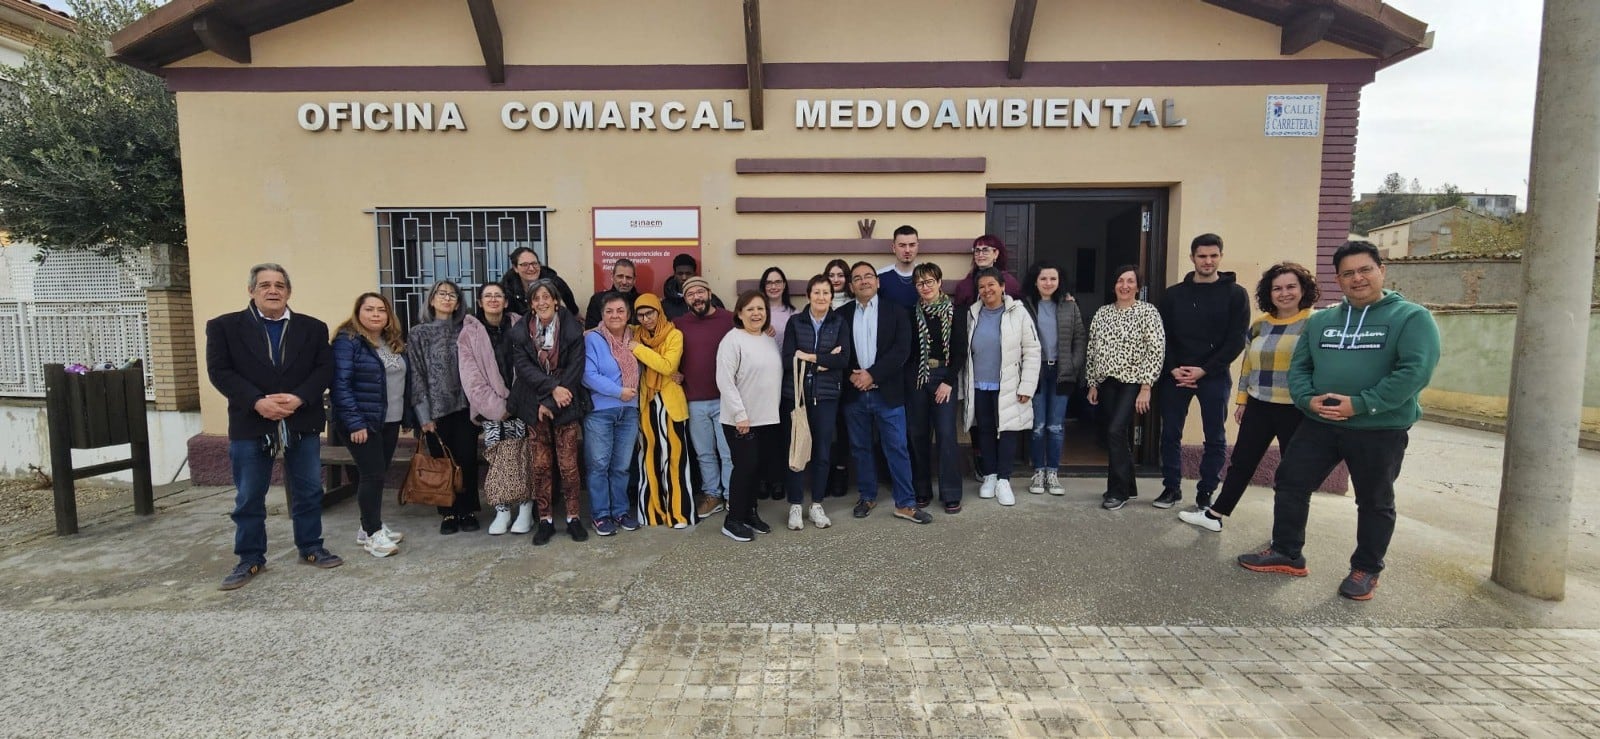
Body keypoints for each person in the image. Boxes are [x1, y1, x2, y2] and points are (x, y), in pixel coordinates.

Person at [1238, 242, 1439, 602]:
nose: (1357, 278)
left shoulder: (1411, 318)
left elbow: (1414, 372)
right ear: (1338, 279)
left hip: (1379, 428)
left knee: (1374, 500)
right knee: (1290, 480)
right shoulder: (1323, 321)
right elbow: (1300, 367)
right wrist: (1306, 398)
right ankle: (1287, 551)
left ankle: (1366, 568)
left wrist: (1362, 404)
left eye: (1365, 270)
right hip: (1320, 423)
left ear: (1382, 271)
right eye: (1348, 273)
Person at [207, 263, 341, 590]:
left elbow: (324, 370)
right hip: (251, 421)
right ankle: (250, 558)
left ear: (289, 291)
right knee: (251, 494)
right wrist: (257, 401)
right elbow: (220, 372)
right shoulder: (225, 327)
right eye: (265, 285)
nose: (273, 291)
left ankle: (310, 547)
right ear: (251, 290)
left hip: (301, 420)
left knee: (309, 489)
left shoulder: (312, 328)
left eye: (279, 285)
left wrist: (299, 398)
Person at [1180, 262, 1317, 533]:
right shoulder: (1260, 325)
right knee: (1241, 464)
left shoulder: (1314, 323)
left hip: (1296, 408)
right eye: (1277, 288)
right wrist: (1242, 400)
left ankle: (1287, 536)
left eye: (1291, 287)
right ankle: (1214, 515)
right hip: (1260, 404)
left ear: (1303, 289)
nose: (1284, 293)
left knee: (1292, 474)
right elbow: (1248, 365)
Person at [1154, 233, 1250, 510]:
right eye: (1202, 256)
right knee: (1170, 433)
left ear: (1220, 256)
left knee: (1215, 437)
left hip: (1214, 376)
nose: (1207, 261)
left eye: (1213, 256)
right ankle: (1171, 488)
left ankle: (1206, 492)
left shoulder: (1236, 294)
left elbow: (1236, 340)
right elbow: (1163, 336)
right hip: (1176, 375)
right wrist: (1173, 367)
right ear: (1192, 258)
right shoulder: (1174, 295)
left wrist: (1204, 370)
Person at [839, 261, 931, 524]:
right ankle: (867, 496)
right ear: (851, 285)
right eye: (857, 278)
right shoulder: (843, 314)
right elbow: (838, 353)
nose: (864, 281)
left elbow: (902, 350)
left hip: (888, 394)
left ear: (878, 282)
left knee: (897, 447)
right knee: (860, 448)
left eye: (869, 276)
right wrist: (853, 375)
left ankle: (905, 503)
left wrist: (873, 375)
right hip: (855, 394)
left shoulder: (897, 311)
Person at [508, 279, 592, 544]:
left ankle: (573, 518)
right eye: (536, 298)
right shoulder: (522, 331)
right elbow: (524, 368)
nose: (542, 302)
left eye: (547, 297)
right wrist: (549, 394)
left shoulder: (572, 329)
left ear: (556, 300)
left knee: (568, 466)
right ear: (531, 304)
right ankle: (544, 519)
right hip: (533, 404)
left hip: (565, 404)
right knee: (541, 465)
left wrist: (554, 400)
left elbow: (575, 368)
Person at [330, 292, 410, 558]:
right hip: (363, 421)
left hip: (389, 419)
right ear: (358, 312)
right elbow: (340, 385)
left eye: (381, 310)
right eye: (369, 309)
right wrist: (354, 423)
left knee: (378, 473)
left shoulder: (390, 342)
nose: (376, 314)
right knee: (372, 474)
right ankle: (372, 534)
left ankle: (368, 527)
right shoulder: (348, 342)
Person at [1085, 266, 1165, 510]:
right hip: (1107, 382)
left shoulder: (1148, 312)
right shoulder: (1102, 313)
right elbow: (1092, 349)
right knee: (1117, 435)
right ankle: (1128, 486)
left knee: (1114, 431)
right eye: (1120, 281)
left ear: (1138, 287)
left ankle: (1117, 491)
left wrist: (1146, 387)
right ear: (1114, 286)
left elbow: (1156, 350)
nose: (1125, 285)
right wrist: (1092, 383)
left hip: (1133, 383)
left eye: (1130, 281)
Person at [407, 279, 482, 534]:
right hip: (436, 409)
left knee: (467, 460)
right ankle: (448, 513)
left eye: (453, 295)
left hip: (465, 406)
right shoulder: (419, 333)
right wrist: (424, 416)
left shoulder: (466, 330)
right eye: (442, 294)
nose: (447, 298)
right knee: (442, 462)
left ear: (459, 302)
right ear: (431, 299)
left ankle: (468, 509)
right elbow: (416, 375)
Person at [962, 268, 1042, 507]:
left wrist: (1027, 385)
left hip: (1009, 384)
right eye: (982, 287)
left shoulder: (1018, 313)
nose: (987, 290)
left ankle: (1004, 479)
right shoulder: (972, 313)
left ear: (1002, 286)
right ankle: (990, 475)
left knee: (1007, 429)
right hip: (980, 383)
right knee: (985, 429)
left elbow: (1032, 350)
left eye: (991, 285)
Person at [459, 282, 531, 536]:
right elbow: (471, 377)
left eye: (497, 295)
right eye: (487, 296)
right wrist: (498, 408)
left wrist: (518, 402)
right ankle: (502, 510)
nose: (493, 300)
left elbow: (531, 365)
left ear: (506, 301)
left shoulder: (521, 325)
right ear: (479, 302)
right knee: (498, 460)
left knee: (524, 459)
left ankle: (525, 509)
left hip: (523, 404)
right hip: (491, 408)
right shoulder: (469, 334)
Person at [780, 274, 850, 530]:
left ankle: (817, 504)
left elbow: (843, 360)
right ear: (808, 295)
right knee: (797, 448)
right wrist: (824, 359)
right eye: (817, 292)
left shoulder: (839, 322)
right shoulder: (795, 322)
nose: (821, 297)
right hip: (796, 395)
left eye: (826, 293)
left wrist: (809, 356)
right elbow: (788, 359)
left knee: (822, 451)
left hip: (827, 396)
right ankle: (796, 505)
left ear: (832, 297)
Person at [715, 290, 783, 541]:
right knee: (745, 468)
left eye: (761, 309)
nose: (756, 313)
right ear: (740, 313)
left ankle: (749, 513)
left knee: (757, 469)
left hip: (766, 418)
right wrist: (740, 415)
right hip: (741, 420)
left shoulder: (767, 339)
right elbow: (725, 381)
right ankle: (732, 520)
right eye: (750, 309)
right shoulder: (732, 340)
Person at [907, 262, 968, 513]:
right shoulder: (911, 313)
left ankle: (951, 493)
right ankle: (921, 489)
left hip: (944, 376)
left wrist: (948, 382)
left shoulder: (955, 312)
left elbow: (961, 351)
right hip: (918, 379)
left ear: (940, 283)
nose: (926, 287)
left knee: (945, 435)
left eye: (930, 281)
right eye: (920, 283)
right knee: (918, 435)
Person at [630, 293, 695, 528]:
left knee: (675, 459)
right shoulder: (633, 333)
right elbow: (606, 329)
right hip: (646, 403)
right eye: (641, 314)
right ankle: (651, 513)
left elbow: (668, 365)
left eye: (650, 313)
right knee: (648, 459)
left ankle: (679, 513)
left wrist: (638, 350)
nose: (646, 318)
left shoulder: (673, 334)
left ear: (659, 311)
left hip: (670, 405)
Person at [1022, 261, 1086, 496]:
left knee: (1056, 426)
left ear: (1059, 282)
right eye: (1043, 279)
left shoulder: (1069, 305)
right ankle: (1038, 471)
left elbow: (1080, 338)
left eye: (1053, 279)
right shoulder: (1025, 306)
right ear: (1035, 281)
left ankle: (1053, 473)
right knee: (1038, 426)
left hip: (1061, 372)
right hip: (1035, 372)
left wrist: (1074, 364)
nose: (1048, 283)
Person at [676, 276, 737, 518]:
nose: (696, 297)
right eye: (691, 294)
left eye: (700, 292)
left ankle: (733, 495)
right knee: (704, 453)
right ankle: (712, 494)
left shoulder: (730, 319)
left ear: (709, 293)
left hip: (725, 399)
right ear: (686, 299)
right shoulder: (678, 324)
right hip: (694, 399)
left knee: (728, 452)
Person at [583, 293, 642, 536]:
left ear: (628, 315)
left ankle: (620, 511)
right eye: (609, 311)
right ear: (602, 315)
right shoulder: (592, 339)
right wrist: (619, 392)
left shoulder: (636, 338)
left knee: (621, 467)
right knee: (598, 465)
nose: (615, 315)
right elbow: (588, 375)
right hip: (601, 412)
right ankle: (601, 515)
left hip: (629, 412)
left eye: (620, 311)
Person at [758, 266, 796, 500]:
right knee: (763, 433)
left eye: (778, 281)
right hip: (760, 383)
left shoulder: (793, 313)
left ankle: (780, 480)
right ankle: (762, 479)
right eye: (769, 282)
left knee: (784, 433)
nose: (773, 286)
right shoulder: (756, 311)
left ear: (784, 285)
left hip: (786, 381)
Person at [822, 258, 855, 495]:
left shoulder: (855, 305)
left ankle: (841, 470)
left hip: (848, 374)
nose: (836, 280)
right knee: (824, 428)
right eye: (831, 275)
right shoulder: (820, 302)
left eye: (841, 275)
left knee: (844, 426)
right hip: (823, 375)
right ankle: (822, 472)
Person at [502, 247, 579, 316]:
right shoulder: (507, 286)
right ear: (515, 268)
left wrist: (575, 315)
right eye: (525, 265)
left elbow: (570, 305)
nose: (531, 268)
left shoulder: (555, 282)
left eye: (534, 263)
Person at [951, 234, 1022, 309]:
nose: (980, 255)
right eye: (977, 250)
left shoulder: (1009, 282)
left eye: (985, 250)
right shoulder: (965, 284)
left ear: (996, 253)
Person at [662, 253, 724, 319]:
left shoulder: (711, 300)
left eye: (688, 273)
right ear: (675, 275)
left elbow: (722, 321)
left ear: (694, 274)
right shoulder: (665, 305)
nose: (684, 277)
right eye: (680, 274)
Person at [583, 259, 640, 329]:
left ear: (634, 280)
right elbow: (590, 332)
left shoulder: (642, 301)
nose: (624, 282)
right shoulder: (597, 300)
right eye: (620, 276)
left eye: (628, 278)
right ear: (612, 277)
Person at [876, 225, 921, 307]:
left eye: (912, 245)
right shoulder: (880, 277)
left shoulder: (927, 275)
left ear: (917, 246)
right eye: (902, 245)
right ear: (893, 247)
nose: (907, 250)